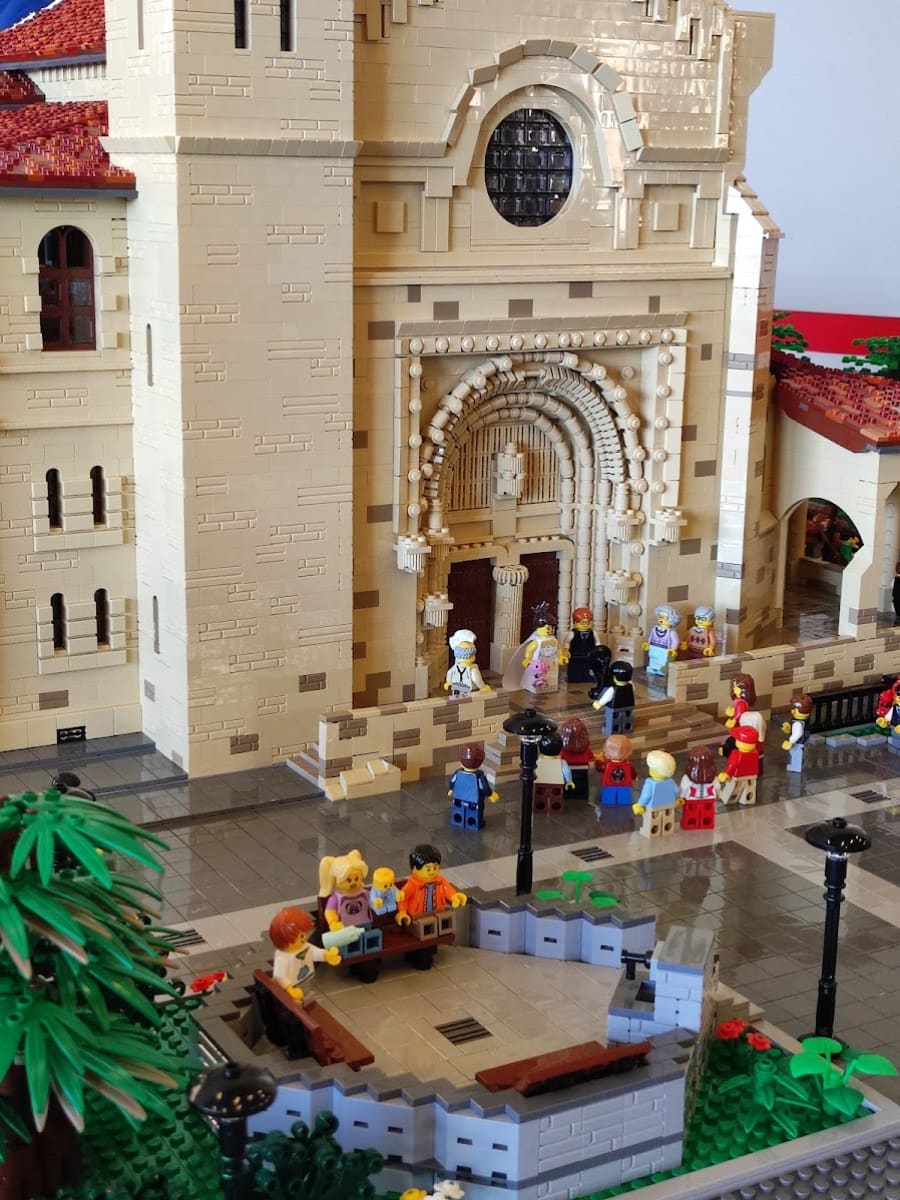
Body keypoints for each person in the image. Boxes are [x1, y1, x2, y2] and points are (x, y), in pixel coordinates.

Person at [269, 906, 341, 1002]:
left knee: (306, 992)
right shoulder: (282, 957)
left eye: (305, 934)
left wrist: (326, 955)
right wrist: (289, 989)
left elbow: (314, 952)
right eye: (301, 936)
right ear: (286, 939)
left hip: (305, 978)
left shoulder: (304, 946)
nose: (306, 938)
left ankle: (306, 999)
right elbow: (280, 976)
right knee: (296, 1000)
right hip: (293, 984)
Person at [402, 844, 466, 917]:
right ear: (414, 868)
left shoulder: (440, 881)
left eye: (435, 868)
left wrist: (454, 897)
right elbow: (403, 898)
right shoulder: (412, 884)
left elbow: (448, 890)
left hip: (439, 911)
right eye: (428, 869)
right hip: (417, 915)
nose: (432, 871)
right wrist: (402, 911)